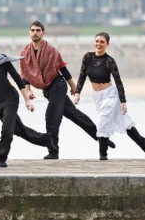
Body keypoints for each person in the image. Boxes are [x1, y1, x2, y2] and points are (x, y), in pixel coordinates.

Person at [20, 21, 112, 159]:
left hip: (58, 85)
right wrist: (28, 91)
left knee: (52, 117)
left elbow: (62, 68)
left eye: (38, 30)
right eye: (32, 30)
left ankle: (53, 151)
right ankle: (101, 137)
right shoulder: (25, 53)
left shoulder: (50, 50)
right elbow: (25, 75)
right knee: (74, 115)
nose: (35, 33)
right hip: (47, 91)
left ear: (43, 33)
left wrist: (74, 87)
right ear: (29, 32)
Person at [0, 32, 53, 167]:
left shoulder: (3, 61)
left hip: (10, 98)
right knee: (18, 130)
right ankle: (46, 140)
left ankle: (1, 156)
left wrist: (27, 100)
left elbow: (17, 79)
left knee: (7, 131)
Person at [74, 32, 145, 160]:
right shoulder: (87, 57)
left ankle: (103, 154)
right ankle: (141, 140)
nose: (99, 44)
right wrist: (77, 93)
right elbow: (82, 76)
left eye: (102, 42)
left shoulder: (109, 61)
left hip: (111, 95)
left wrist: (123, 101)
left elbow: (118, 81)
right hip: (97, 96)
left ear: (107, 44)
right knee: (124, 121)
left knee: (102, 121)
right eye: (97, 41)